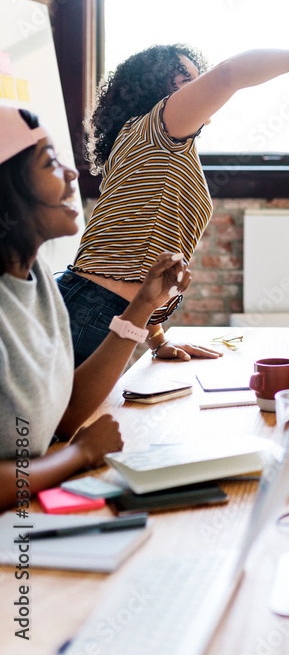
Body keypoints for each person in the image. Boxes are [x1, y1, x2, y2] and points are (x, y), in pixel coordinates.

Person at [58, 41, 289, 366]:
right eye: (187, 81)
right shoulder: (155, 130)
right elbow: (230, 74)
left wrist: (157, 339)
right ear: (157, 91)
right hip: (92, 310)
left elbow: (141, 253)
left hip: (100, 310)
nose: (200, 88)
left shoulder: (152, 142)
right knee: (71, 418)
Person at [0, 106, 191, 509]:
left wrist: (143, 306)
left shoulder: (37, 279)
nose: (71, 175)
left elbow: (62, 414)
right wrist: (78, 455)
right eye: (50, 163)